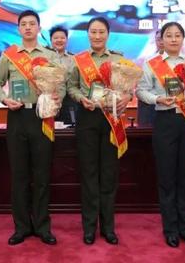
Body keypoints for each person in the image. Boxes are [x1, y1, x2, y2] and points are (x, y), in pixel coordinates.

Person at [0, 10, 63, 246]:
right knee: (19, 175)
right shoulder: (9, 55)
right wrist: (5, 99)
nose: (28, 27)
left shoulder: (50, 55)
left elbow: (61, 85)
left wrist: (57, 98)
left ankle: (42, 227)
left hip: (43, 117)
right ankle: (21, 227)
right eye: (24, 24)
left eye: (33, 24)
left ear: (39, 28)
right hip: (17, 116)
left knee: (42, 175)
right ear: (19, 29)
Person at [136, 22, 185, 248]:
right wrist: (157, 99)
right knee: (166, 177)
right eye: (169, 35)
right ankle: (170, 229)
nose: (173, 39)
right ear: (161, 39)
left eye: (177, 35)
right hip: (164, 121)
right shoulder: (152, 64)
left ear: (183, 39)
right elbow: (141, 90)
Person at [67, 17, 131, 245]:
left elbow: (129, 89)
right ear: (88, 34)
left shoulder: (119, 59)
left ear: (108, 34)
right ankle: (89, 228)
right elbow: (71, 87)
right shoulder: (78, 60)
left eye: (101, 32)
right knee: (89, 174)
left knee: (109, 174)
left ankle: (108, 228)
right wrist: (80, 98)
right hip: (88, 118)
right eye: (93, 32)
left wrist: (127, 97)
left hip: (111, 118)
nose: (97, 36)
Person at [50, 25, 76, 125]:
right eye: (56, 38)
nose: (59, 40)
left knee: (68, 130)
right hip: (49, 100)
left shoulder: (74, 59)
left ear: (67, 40)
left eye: (62, 38)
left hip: (69, 102)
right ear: (51, 40)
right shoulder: (45, 57)